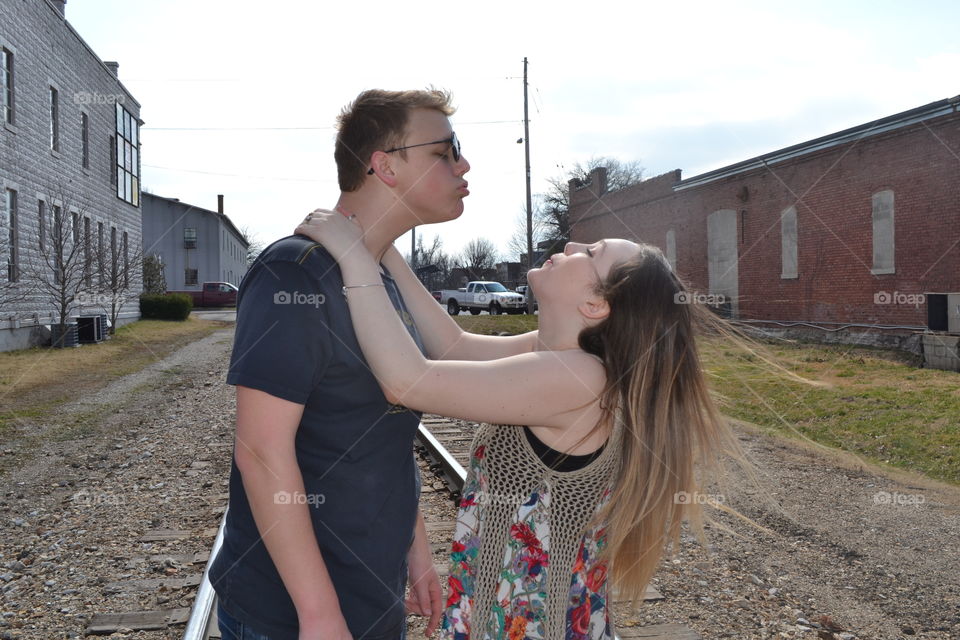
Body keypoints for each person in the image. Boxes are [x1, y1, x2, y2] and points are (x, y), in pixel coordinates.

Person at [294, 211, 746, 639]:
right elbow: (453, 348)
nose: (571, 243)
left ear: (595, 304)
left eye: (591, 252)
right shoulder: (557, 357)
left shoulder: (581, 379)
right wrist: (385, 249)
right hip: (504, 614)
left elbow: (407, 382)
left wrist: (354, 259)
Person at [209, 88, 471, 640]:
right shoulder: (295, 273)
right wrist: (318, 613)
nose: (462, 164)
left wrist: (416, 552)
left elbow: (386, 438)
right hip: (290, 614)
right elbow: (261, 450)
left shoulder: (378, 280)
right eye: (444, 151)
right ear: (384, 166)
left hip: (372, 592)